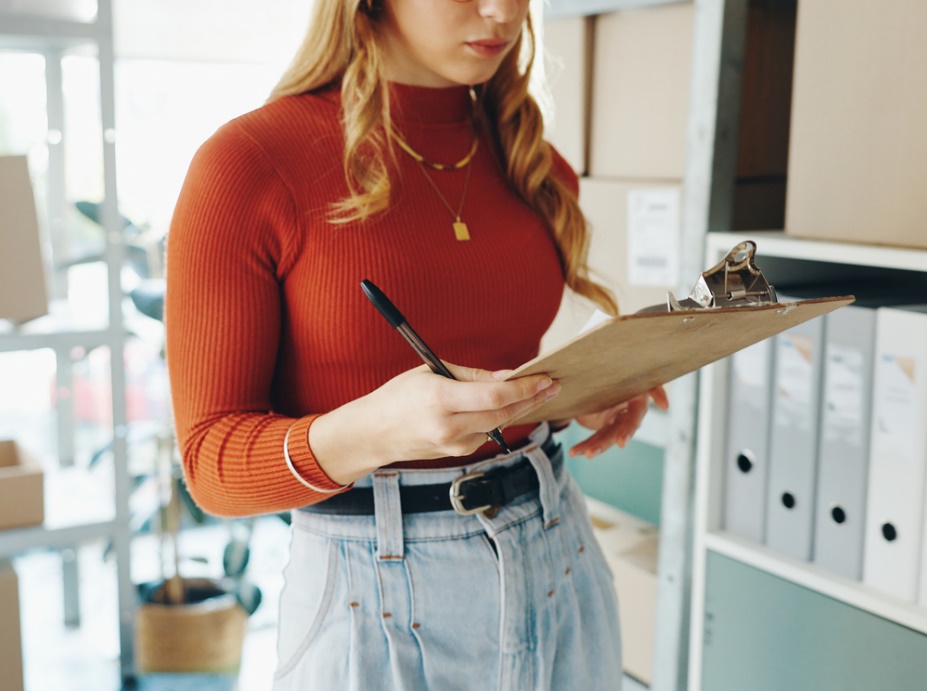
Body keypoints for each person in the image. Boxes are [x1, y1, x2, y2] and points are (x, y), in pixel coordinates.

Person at [165, 0, 668, 688]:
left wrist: (574, 393)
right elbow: (209, 462)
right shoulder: (248, 165)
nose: (503, 12)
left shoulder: (536, 165)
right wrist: (375, 430)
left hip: (562, 555)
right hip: (373, 590)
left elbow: (495, 368)